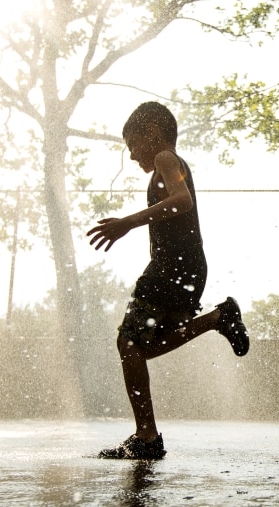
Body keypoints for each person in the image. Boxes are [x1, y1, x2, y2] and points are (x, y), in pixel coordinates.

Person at [86, 101, 249, 459]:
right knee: (140, 347)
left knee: (128, 344)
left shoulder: (165, 159)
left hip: (169, 269)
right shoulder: (166, 164)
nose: (131, 156)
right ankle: (216, 319)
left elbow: (182, 201)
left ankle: (146, 435)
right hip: (189, 268)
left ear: (151, 133)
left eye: (132, 145)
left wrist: (127, 223)